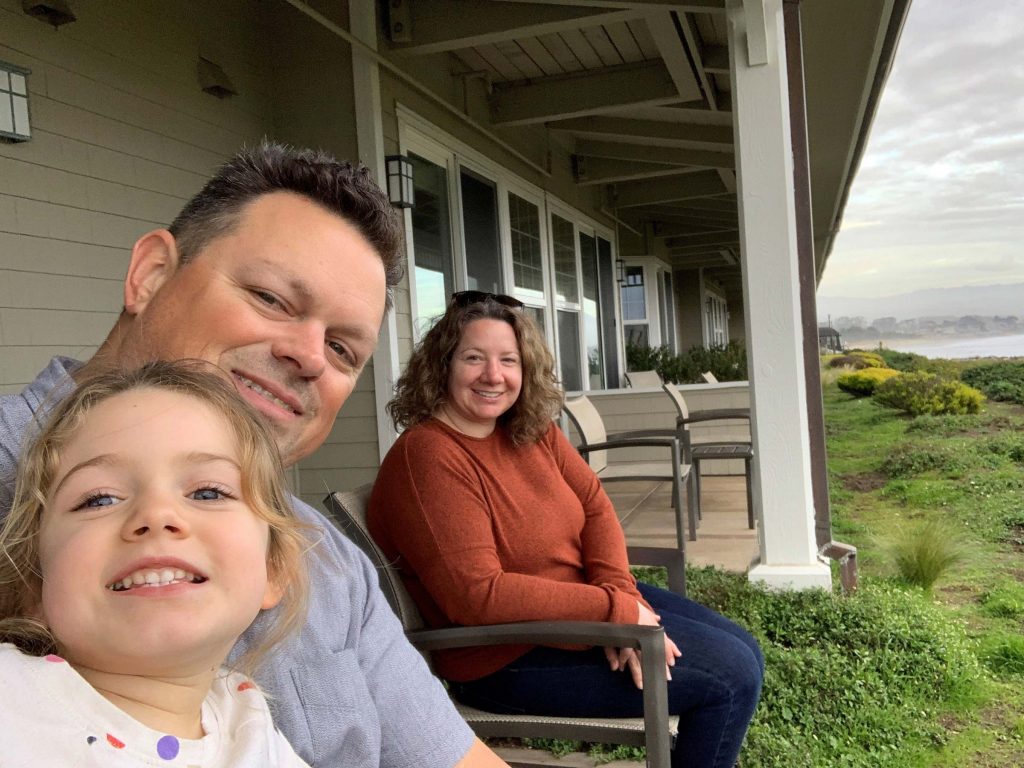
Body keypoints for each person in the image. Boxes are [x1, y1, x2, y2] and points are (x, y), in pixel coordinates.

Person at [0, 144, 505, 768]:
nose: (311, 356)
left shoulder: (326, 556)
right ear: (151, 275)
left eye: (344, 349)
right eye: (270, 298)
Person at [368, 291, 765, 768]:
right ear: (442, 365)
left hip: (582, 610)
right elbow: (477, 596)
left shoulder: (528, 430)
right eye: (474, 358)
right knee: (729, 677)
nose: (493, 375)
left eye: (508, 360)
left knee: (746, 651)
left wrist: (619, 598)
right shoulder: (428, 457)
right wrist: (611, 612)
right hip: (505, 657)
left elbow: (595, 506)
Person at [0, 361, 311, 765]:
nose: (156, 514)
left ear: (274, 569)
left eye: (208, 493)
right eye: (99, 499)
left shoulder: (250, 727)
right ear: (32, 585)